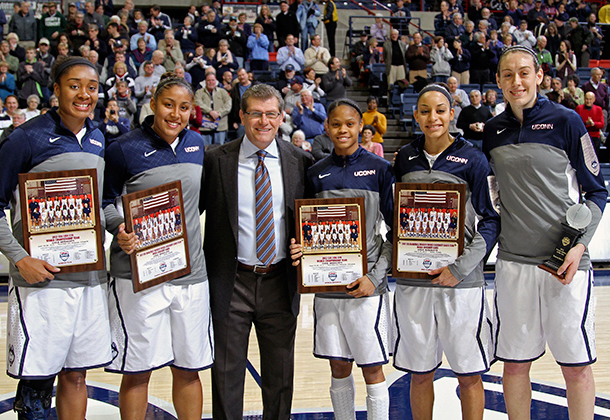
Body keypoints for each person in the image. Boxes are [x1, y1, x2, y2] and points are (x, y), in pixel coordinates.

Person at [0, 56, 110, 420]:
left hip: (87, 278)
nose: (84, 94)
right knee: (37, 383)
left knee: (77, 374)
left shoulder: (99, 138)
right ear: (55, 89)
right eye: (74, 85)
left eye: (92, 87)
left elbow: (102, 203)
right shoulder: (26, 137)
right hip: (40, 281)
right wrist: (21, 259)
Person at [484, 45, 607, 420]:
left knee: (575, 366)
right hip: (512, 266)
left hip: (564, 265)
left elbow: (597, 192)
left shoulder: (566, 120)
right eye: (508, 74)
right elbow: (492, 198)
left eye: (524, 72)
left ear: (539, 76)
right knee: (515, 365)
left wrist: (579, 246)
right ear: (499, 82)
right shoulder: (493, 131)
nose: (516, 81)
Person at [103, 72, 212, 420]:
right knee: (137, 370)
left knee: (188, 368)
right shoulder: (123, 148)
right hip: (138, 276)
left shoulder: (197, 145)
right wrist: (119, 227)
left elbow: (201, 203)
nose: (175, 114)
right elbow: (105, 201)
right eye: (168, 105)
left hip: (189, 275)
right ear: (152, 104)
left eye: (183, 107)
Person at [200, 83, 313, 420]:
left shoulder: (301, 161)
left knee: (280, 377)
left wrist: (310, 245)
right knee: (226, 375)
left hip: (280, 281)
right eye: (256, 114)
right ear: (242, 117)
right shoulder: (215, 160)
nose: (263, 121)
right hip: (231, 281)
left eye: (271, 114)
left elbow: (314, 219)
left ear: (281, 117)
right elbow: (191, 213)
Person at [394, 83, 499, 420]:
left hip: (461, 282)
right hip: (415, 282)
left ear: (452, 113)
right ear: (415, 115)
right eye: (425, 110)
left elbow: (492, 220)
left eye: (440, 110)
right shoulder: (404, 157)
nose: (433, 117)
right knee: (420, 372)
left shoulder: (474, 158)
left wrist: (460, 268)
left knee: (468, 373)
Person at [290, 98, 394, 420]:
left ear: (361, 126)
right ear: (327, 127)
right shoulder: (316, 173)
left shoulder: (380, 170)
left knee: (372, 368)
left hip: (366, 288)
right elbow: (308, 229)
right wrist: (301, 251)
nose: (343, 130)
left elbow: (397, 233)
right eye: (336, 124)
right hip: (327, 290)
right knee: (338, 366)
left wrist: (374, 278)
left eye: (350, 123)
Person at [195, 73, 231, 146]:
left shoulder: (223, 92)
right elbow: (197, 103)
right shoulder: (199, 92)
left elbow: (228, 105)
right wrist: (210, 111)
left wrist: (219, 113)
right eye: (208, 80)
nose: (211, 82)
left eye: (213, 80)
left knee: (219, 150)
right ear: (205, 81)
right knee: (206, 150)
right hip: (205, 126)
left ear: (216, 81)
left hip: (220, 126)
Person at [576, 91, 605, 156]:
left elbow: (602, 124)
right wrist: (586, 123)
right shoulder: (579, 108)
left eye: (590, 99)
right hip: (583, 136)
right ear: (584, 99)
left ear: (594, 100)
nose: (588, 101)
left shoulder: (598, 109)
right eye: (586, 99)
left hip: (595, 137)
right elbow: (576, 123)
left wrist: (593, 124)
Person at [582, 68, 608, 132]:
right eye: (597, 75)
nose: (600, 76)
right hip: (589, 110)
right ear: (592, 75)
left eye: (600, 75)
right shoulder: (586, 86)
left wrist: (606, 109)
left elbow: (607, 99)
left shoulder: (603, 86)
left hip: (602, 110)